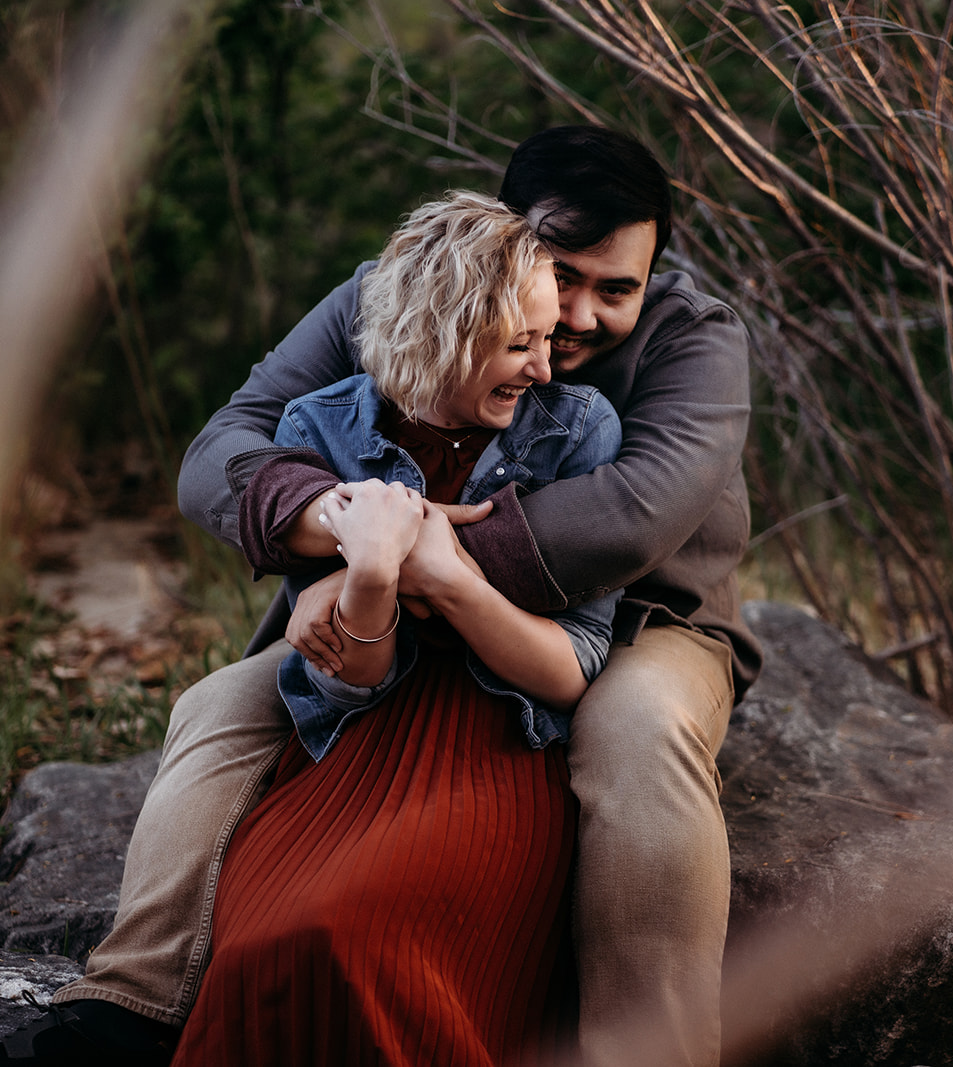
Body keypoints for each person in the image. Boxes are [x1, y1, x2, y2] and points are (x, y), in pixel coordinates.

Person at [0, 125, 759, 1067]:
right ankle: (125, 1014)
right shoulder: (404, 296)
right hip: (377, 606)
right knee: (217, 705)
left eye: (617, 287)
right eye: (561, 270)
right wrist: (346, 532)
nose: (580, 315)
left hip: (641, 621)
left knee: (637, 728)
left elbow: (633, 516)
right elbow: (222, 455)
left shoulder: (695, 340)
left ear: (653, 276)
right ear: (504, 237)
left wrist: (414, 556)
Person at [169, 191, 622, 1063]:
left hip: (497, 741)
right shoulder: (317, 430)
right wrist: (370, 572)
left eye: (544, 339)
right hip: (351, 741)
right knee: (272, 942)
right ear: (441, 338)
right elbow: (348, 682)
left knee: (357, 937)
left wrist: (449, 579)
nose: (544, 368)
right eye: (519, 344)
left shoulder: (577, 429)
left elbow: (572, 670)